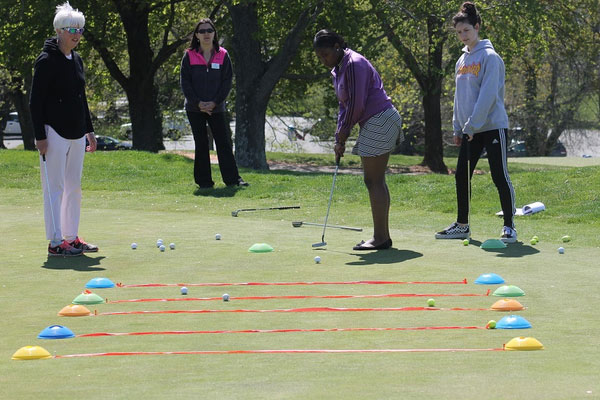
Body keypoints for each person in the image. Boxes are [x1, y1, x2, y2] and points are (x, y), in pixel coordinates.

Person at [314, 30, 403, 250]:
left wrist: (343, 134)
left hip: (380, 119)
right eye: (319, 57)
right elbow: (344, 107)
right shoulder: (340, 69)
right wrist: (339, 136)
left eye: (325, 54)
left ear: (337, 46)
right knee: (375, 180)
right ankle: (383, 237)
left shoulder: (353, 63)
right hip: (376, 121)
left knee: (373, 181)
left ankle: (381, 238)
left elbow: (356, 105)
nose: (323, 60)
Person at [435, 2, 516, 243]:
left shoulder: (491, 57)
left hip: (492, 126)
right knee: (461, 176)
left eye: (466, 31)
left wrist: (471, 125)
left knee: (499, 175)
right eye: (459, 32)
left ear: (477, 27)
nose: (463, 36)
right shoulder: (461, 61)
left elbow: (488, 96)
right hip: (469, 130)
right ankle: (462, 225)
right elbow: (460, 97)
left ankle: (509, 226)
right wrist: (458, 127)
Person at [30, 2, 98, 257]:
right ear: (59, 30)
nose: (77, 34)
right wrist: (40, 135)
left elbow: (81, 98)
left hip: (77, 133)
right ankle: (56, 242)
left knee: (74, 188)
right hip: (53, 133)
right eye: (72, 29)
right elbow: (35, 101)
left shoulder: (76, 59)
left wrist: (89, 130)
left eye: (80, 29)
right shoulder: (46, 60)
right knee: (54, 189)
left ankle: (72, 237)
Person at [180, 18, 247, 189]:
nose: (206, 34)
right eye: (202, 31)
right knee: (201, 144)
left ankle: (232, 180)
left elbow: (227, 82)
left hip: (217, 108)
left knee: (223, 143)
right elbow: (185, 83)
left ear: (214, 33)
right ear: (196, 35)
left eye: (209, 30)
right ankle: (204, 182)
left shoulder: (223, 55)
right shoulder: (189, 56)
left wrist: (214, 103)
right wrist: (198, 103)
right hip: (194, 109)